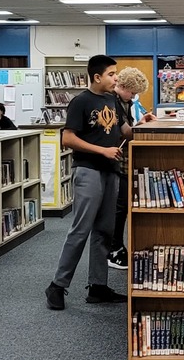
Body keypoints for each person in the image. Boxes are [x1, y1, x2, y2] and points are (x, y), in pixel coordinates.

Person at [44, 54, 135, 311]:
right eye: (111, 74)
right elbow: (68, 139)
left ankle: (98, 286)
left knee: (105, 231)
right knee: (81, 230)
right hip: (88, 170)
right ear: (97, 77)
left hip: (111, 171)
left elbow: (123, 130)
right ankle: (57, 286)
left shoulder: (112, 100)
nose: (116, 78)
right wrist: (101, 151)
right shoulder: (81, 101)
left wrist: (142, 126)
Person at [106, 66, 155, 270]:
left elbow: (128, 128)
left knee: (122, 205)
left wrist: (140, 122)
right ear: (123, 86)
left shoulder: (124, 102)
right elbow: (126, 132)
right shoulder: (113, 103)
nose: (134, 97)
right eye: (132, 92)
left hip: (120, 157)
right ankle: (113, 248)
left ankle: (116, 245)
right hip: (113, 159)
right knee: (119, 206)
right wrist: (139, 128)